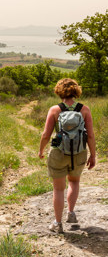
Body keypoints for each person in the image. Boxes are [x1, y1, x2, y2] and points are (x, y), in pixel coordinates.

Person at [38, 78, 96, 233]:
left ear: (59, 91)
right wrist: (93, 155)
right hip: (78, 152)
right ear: (76, 91)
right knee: (74, 182)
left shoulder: (55, 110)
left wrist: (41, 150)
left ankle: (57, 224)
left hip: (58, 152)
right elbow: (90, 135)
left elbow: (45, 134)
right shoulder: (84, 110)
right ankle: (71, 213)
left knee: (58, 189)